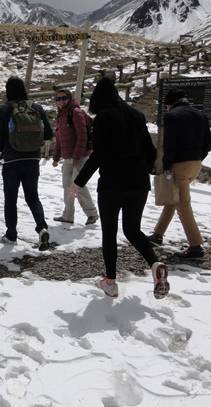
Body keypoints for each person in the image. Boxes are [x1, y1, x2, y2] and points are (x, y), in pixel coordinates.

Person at [71, 77, 169, 299]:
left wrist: (78, 182)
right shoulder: (137, 116)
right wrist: (141, 169)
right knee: (132, 229)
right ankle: (155, 264)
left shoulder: (104, 118)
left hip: (112, 185)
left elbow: (98, 155)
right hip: (138, 183)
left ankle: (110, 281)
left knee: (110, 232)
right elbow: (151, 151)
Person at [147, 89, 211, 258]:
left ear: (169, 104)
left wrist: (166, 166)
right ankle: (157, 234)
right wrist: (198, 157)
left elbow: (170, 146)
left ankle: (195, 245)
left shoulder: (172, 117)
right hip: (195, 164)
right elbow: (209, 143)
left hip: (179, 165)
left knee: (183, 205)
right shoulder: (200, 115)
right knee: (173, 197)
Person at [0, 76, 53, 249]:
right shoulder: (36, 108)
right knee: (33, 196)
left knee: (11, 199)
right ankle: (42, 228)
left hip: (12, 161)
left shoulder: (5, 109)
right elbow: (48, 133)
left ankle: (11, 235)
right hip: (32, 159)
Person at [52, 89, 99, 225]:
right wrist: (56, 157)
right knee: (67, 186)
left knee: (78, 186)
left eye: (63, 98)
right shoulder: (61, 115)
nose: (60, 101)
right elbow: (59, 139)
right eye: (58, 99)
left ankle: (92, 214)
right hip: (67, 157)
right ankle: (68, 216)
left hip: (80, 157)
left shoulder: (76, 112)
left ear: (69, 98)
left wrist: (77, 156)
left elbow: (82, 136)